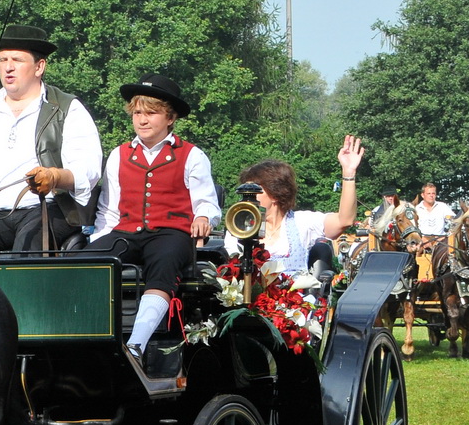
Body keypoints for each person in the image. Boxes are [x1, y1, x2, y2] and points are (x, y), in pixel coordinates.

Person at [0, 25, 103, 253]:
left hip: (46, 210)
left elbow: (88, 169)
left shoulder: (67, 108)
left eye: (17, 60)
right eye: (3, 60)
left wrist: (55, 177)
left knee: (29, 241)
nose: (8, 68)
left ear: (39, 66)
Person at [88, 74, 220, 365]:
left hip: (171, 232)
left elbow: (207, 203)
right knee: (87, 262)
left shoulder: (192, 155)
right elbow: (108, 210)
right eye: (137, 113)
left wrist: (202, 217)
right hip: (127, 231)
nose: (142, 120)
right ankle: (88, 339)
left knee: (164, 262)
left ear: (170, 117)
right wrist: (99, 242)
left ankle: (135, 344)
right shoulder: (119, 155)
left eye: (151, 113)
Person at [229, 136, 366, 276]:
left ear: (275, 194)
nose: (247, 197)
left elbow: (345, 220)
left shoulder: (302, 222)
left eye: (255, 191)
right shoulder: (238, 229)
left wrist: (348, 173)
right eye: (245, 192)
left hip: (295, 296)